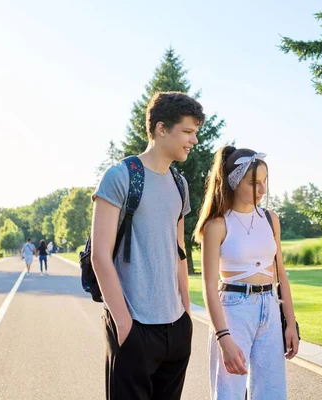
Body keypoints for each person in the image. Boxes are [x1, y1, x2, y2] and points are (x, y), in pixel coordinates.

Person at [91, 91, 203, 400]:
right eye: (188, 131)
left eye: (196, 132)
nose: (194, 140)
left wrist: (186, 313)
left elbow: (180, 251)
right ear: (160, 128)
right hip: (134, 326)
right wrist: (124, 324)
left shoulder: (180, 184)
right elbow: (101, 255)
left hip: (176, 327)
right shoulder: (120, 177)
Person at [194, 146, 299, 400]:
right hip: (233, 309)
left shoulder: (270, 219)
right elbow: (208, 286)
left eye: (264, 182)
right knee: (228, 393)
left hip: (270, 308)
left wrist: (291, 323)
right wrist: (223, 337)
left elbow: (280, 274)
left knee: (272, 393)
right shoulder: (217, 225)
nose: (262, 189)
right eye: (254, 183)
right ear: (234, 181)